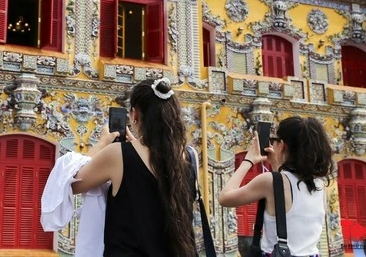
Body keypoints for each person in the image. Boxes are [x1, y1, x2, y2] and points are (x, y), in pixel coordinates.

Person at [71, 77, 197, 257]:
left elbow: (74, 181)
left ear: (135, 114)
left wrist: (102, 143)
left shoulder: (117, 154)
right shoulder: (189, 156)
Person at [218, 116, 334, 257]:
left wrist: (248, 160)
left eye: (275, 140)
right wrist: (276, 167)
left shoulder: (270, 181)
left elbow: (225, 198)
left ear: (282, 145)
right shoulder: (320, 185)